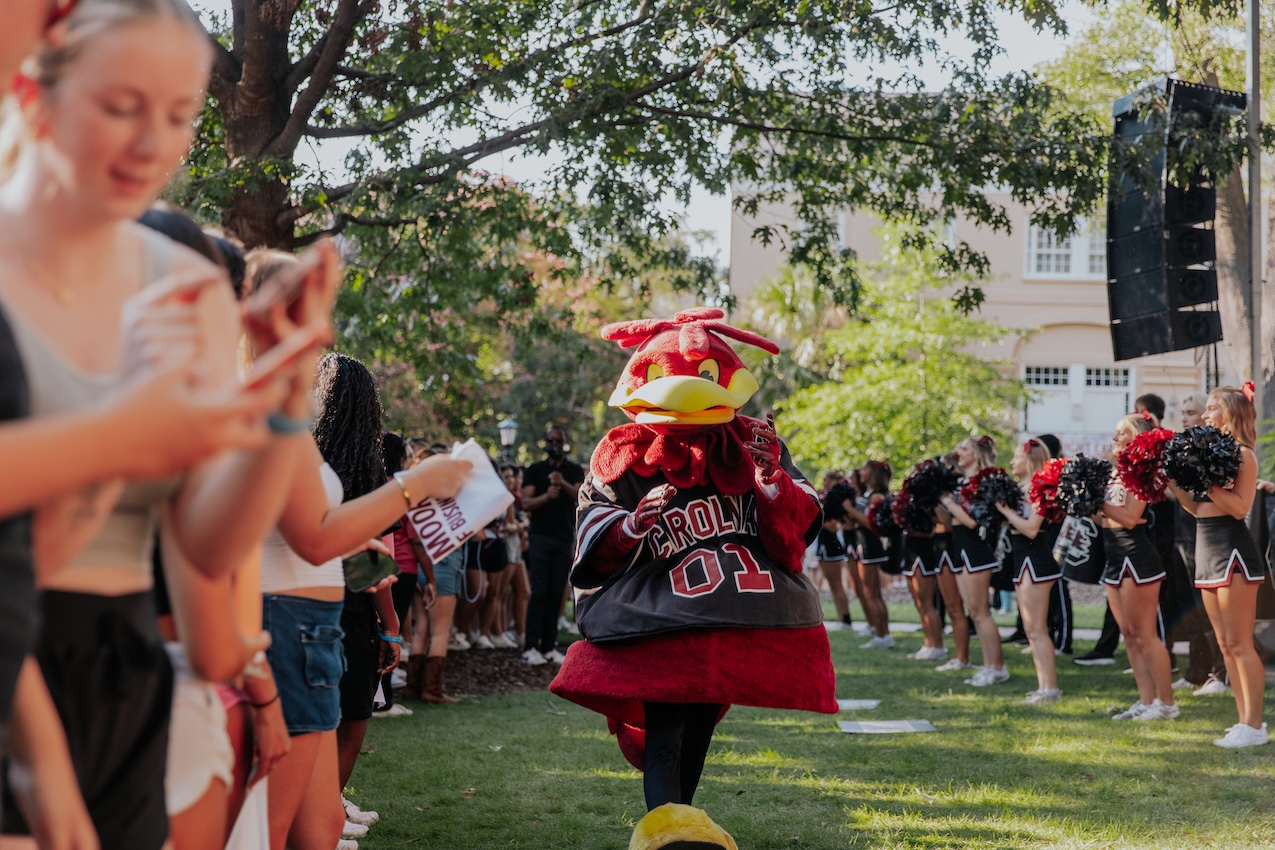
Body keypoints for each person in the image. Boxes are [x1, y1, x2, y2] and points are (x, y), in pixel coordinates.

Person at [0, 3, 334, 846]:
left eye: (180, 114)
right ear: (35, 98)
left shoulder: (175, 272)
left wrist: (282, 394)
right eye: (121, 107)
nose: (154, 143)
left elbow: (205, 547)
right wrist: (128, 426)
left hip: (124, 676)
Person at [549, 308, 835, 846]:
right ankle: (666, 833)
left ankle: (679, 825)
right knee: (667, 725)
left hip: (727, 612)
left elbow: (800, 522)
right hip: (662, 613)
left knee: (699, 725)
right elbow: (592, 528)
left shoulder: (753, 440)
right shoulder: (623, 450)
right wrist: (631, 526)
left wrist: (771, 479)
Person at [1168, 386, 1269, 747]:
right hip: (1206, 548)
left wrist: (1205, 481)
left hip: (1233, 552)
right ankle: (1243, 722)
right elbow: (1198, 509)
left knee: (1241, 644)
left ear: (1231, 413)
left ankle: (1255, 725)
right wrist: (1178, 482)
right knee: (1225, 646)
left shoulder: (1243, 455)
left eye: (1212, 408)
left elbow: (1240, 508)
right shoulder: (1212, 456)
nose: (1207, 415)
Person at [1103, 412, 1178, 721]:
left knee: (1145, 634)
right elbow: (1107, 518)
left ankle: (1168, 704)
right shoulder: (1115, 474)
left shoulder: (1140, 472)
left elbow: (1131, 518)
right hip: (1114, 554)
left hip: (1138, 557)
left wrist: (1097, 501)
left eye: (1121, 433)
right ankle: (1146, 701)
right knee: (1129, 635)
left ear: (1136, 436)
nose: (1114, 438)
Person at [997, 439, 1064, 704]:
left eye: (1016, 458)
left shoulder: (1039, 488)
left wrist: (1004, 511)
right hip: (1023, 561)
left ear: (1029, 459)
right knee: (1031, 629)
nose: (1012, 462)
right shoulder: (1024, 488)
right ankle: (1043, 687)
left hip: (1036, 562)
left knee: (1037, 629)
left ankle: (1051, 689)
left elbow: (1031, 528)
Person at [938, 437, 1008, 686]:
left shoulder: (983, 481)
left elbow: (971, 521)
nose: (959, 453)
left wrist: (946, 501)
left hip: (976, 548)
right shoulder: (960, 482)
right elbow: (951, 522)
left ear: (977, 454)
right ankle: (989, 665)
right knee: (974, 613)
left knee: (981, 612)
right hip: (961, 546)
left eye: (964, 449)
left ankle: (997, 667)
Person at [1172, 392, 1230, 695]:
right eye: (1185, 412)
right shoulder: (1185, 451)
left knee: (1210, 613)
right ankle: (1196, 672)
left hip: (1210, 535)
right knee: (1191, 609)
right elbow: (1185, 499)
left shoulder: (1217, 453)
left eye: (1192, 412)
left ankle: (1220, 675)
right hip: (1185, 533)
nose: (1187, 418)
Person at [521, 425, 585, 665]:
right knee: (539, 592)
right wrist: (546, 496)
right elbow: (525, 503)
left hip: (563, 538)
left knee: (556, 592)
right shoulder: (535, 470)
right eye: (550, 440)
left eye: (558, 440)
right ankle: (530, 646)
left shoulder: (574, 470)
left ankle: (548, 647)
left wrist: (562, 483)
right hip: (540, 537)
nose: (554, 444)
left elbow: (580, 497)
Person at [840, 461, 893, 647]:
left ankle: (882, 635)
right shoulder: (869, 494)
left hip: (870, 546)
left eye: (865, 470)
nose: (861, 472)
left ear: (872, 474)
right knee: (873, 593)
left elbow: (871, 524)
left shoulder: (876, 496)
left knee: (872, 593)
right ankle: (883, 634)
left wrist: (849, 509)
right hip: (863, 544)